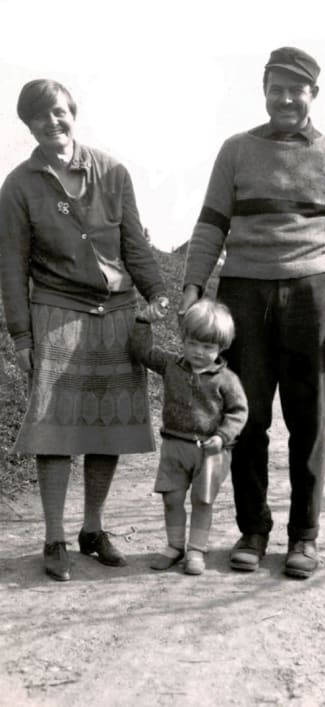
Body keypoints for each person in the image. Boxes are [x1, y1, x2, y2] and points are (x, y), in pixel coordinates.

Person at [180, 47, 325, 579]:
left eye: (296, 88)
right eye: (276, 88)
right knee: (247, 417)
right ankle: (252, 529)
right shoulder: (235, 150)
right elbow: (210, 223)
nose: (286, 98)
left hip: (313, 292)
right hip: (243, 293)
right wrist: (194, 287)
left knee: (308, 422)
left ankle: (303, 537)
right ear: (264, 91)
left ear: (313, 93)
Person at [0, 79, 168, 582]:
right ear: (27, 125)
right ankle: (54, 537)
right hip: (56, 312)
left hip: (116, 314)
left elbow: (134, 242)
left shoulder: (112, 172)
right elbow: (12, 266)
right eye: (38, 117)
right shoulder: (18, 186)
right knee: (54, 431)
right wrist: (22, 337)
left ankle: (92, 530)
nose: (51, 122)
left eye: (58, 112)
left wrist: (157, 291)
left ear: (73, 112)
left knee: (107, 426)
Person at [130, 297, 248, 575]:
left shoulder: (226, 379)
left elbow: (238, 412)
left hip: (210, 452)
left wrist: (222, 436)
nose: (198, 351)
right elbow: (143, 352)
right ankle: (174, 546)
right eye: (192, 343)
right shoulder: (172, 365)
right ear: (183, 339)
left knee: (202, 501)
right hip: (174, 446)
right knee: (171, 498)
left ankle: (196, 549)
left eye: (207, 346)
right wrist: (143, 321)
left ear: (221, 347)